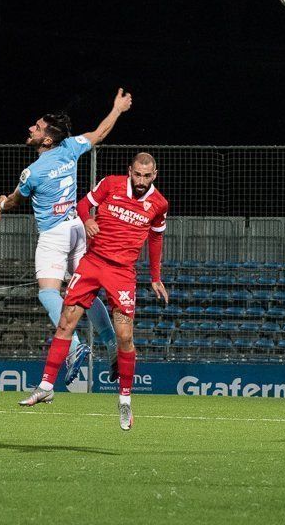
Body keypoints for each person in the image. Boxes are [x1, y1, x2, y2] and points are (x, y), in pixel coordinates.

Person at [18, 153, 169, 431]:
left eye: (146, 176)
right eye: (137, 174)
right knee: (66, 321)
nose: (140, 180)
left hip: (122, 272)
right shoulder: (110, 184)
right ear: (130, 171)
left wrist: (156, 277)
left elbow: (156, 237)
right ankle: (46, 385)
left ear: (155, 175)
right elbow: (83, 205)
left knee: (125, 336)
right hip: (92, 263)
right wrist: (86, 220)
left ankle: (124, 400)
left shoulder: (158, 204)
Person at [0, 89, 131, 385]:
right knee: (86, 291)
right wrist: (117, 109)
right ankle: (110, 345)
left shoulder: (32, 172)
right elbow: (100, 133)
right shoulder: (70, 147)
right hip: (78, 230)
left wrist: (1, 203)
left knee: (47, 292)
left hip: (54, 235)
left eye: (37, 127)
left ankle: (74, 346)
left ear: (46, 140)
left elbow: (15, 201)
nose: (31, 128)